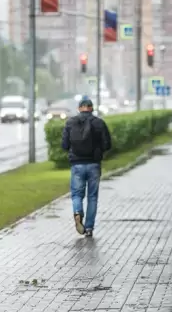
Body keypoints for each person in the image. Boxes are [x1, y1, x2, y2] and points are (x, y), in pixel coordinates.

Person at [61, 97, 112, 237]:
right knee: (92, 197)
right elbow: (107, 144)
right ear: (91, 108)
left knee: (77, 194)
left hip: (77, 164)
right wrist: (98, 151)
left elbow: (64, 145)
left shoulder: (70, 123)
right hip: (94, 165)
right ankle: (89, 228)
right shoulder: (99, 123)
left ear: (79, 108)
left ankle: (77, 212)